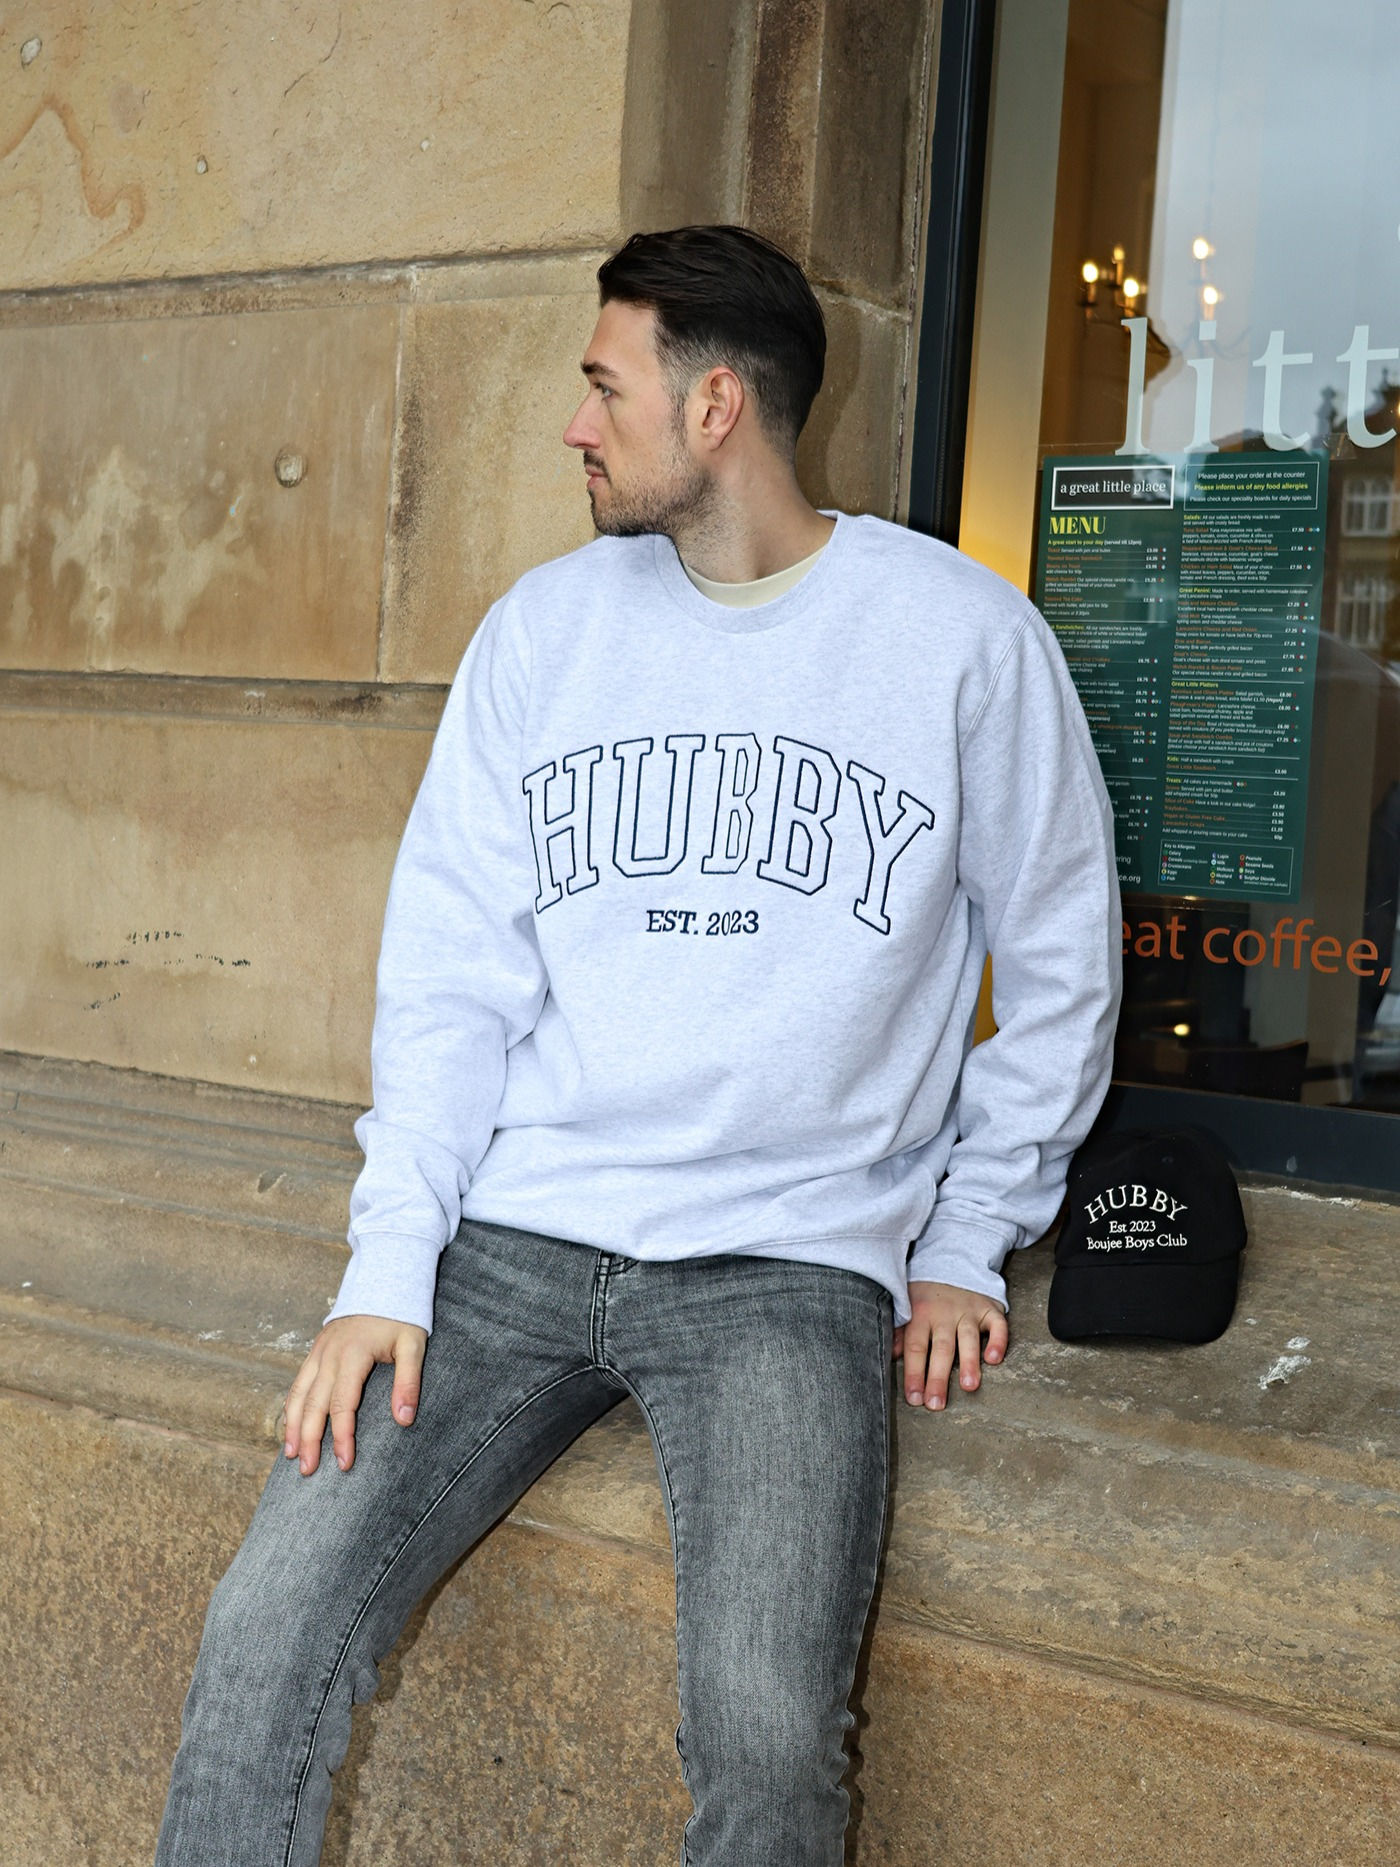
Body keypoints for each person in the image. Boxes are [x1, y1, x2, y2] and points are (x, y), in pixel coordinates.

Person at [156, 224, 1120, 1866]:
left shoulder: (959, 639)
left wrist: (970, 1239)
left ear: (718, 404)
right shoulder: (546, 632)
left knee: (765, 1733)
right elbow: (452, 978)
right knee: (265, 1634)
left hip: (785, 1267)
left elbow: (1059, 961)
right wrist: (386, 1267)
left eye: (605, 387)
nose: (575, 425)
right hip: (514, 1247)